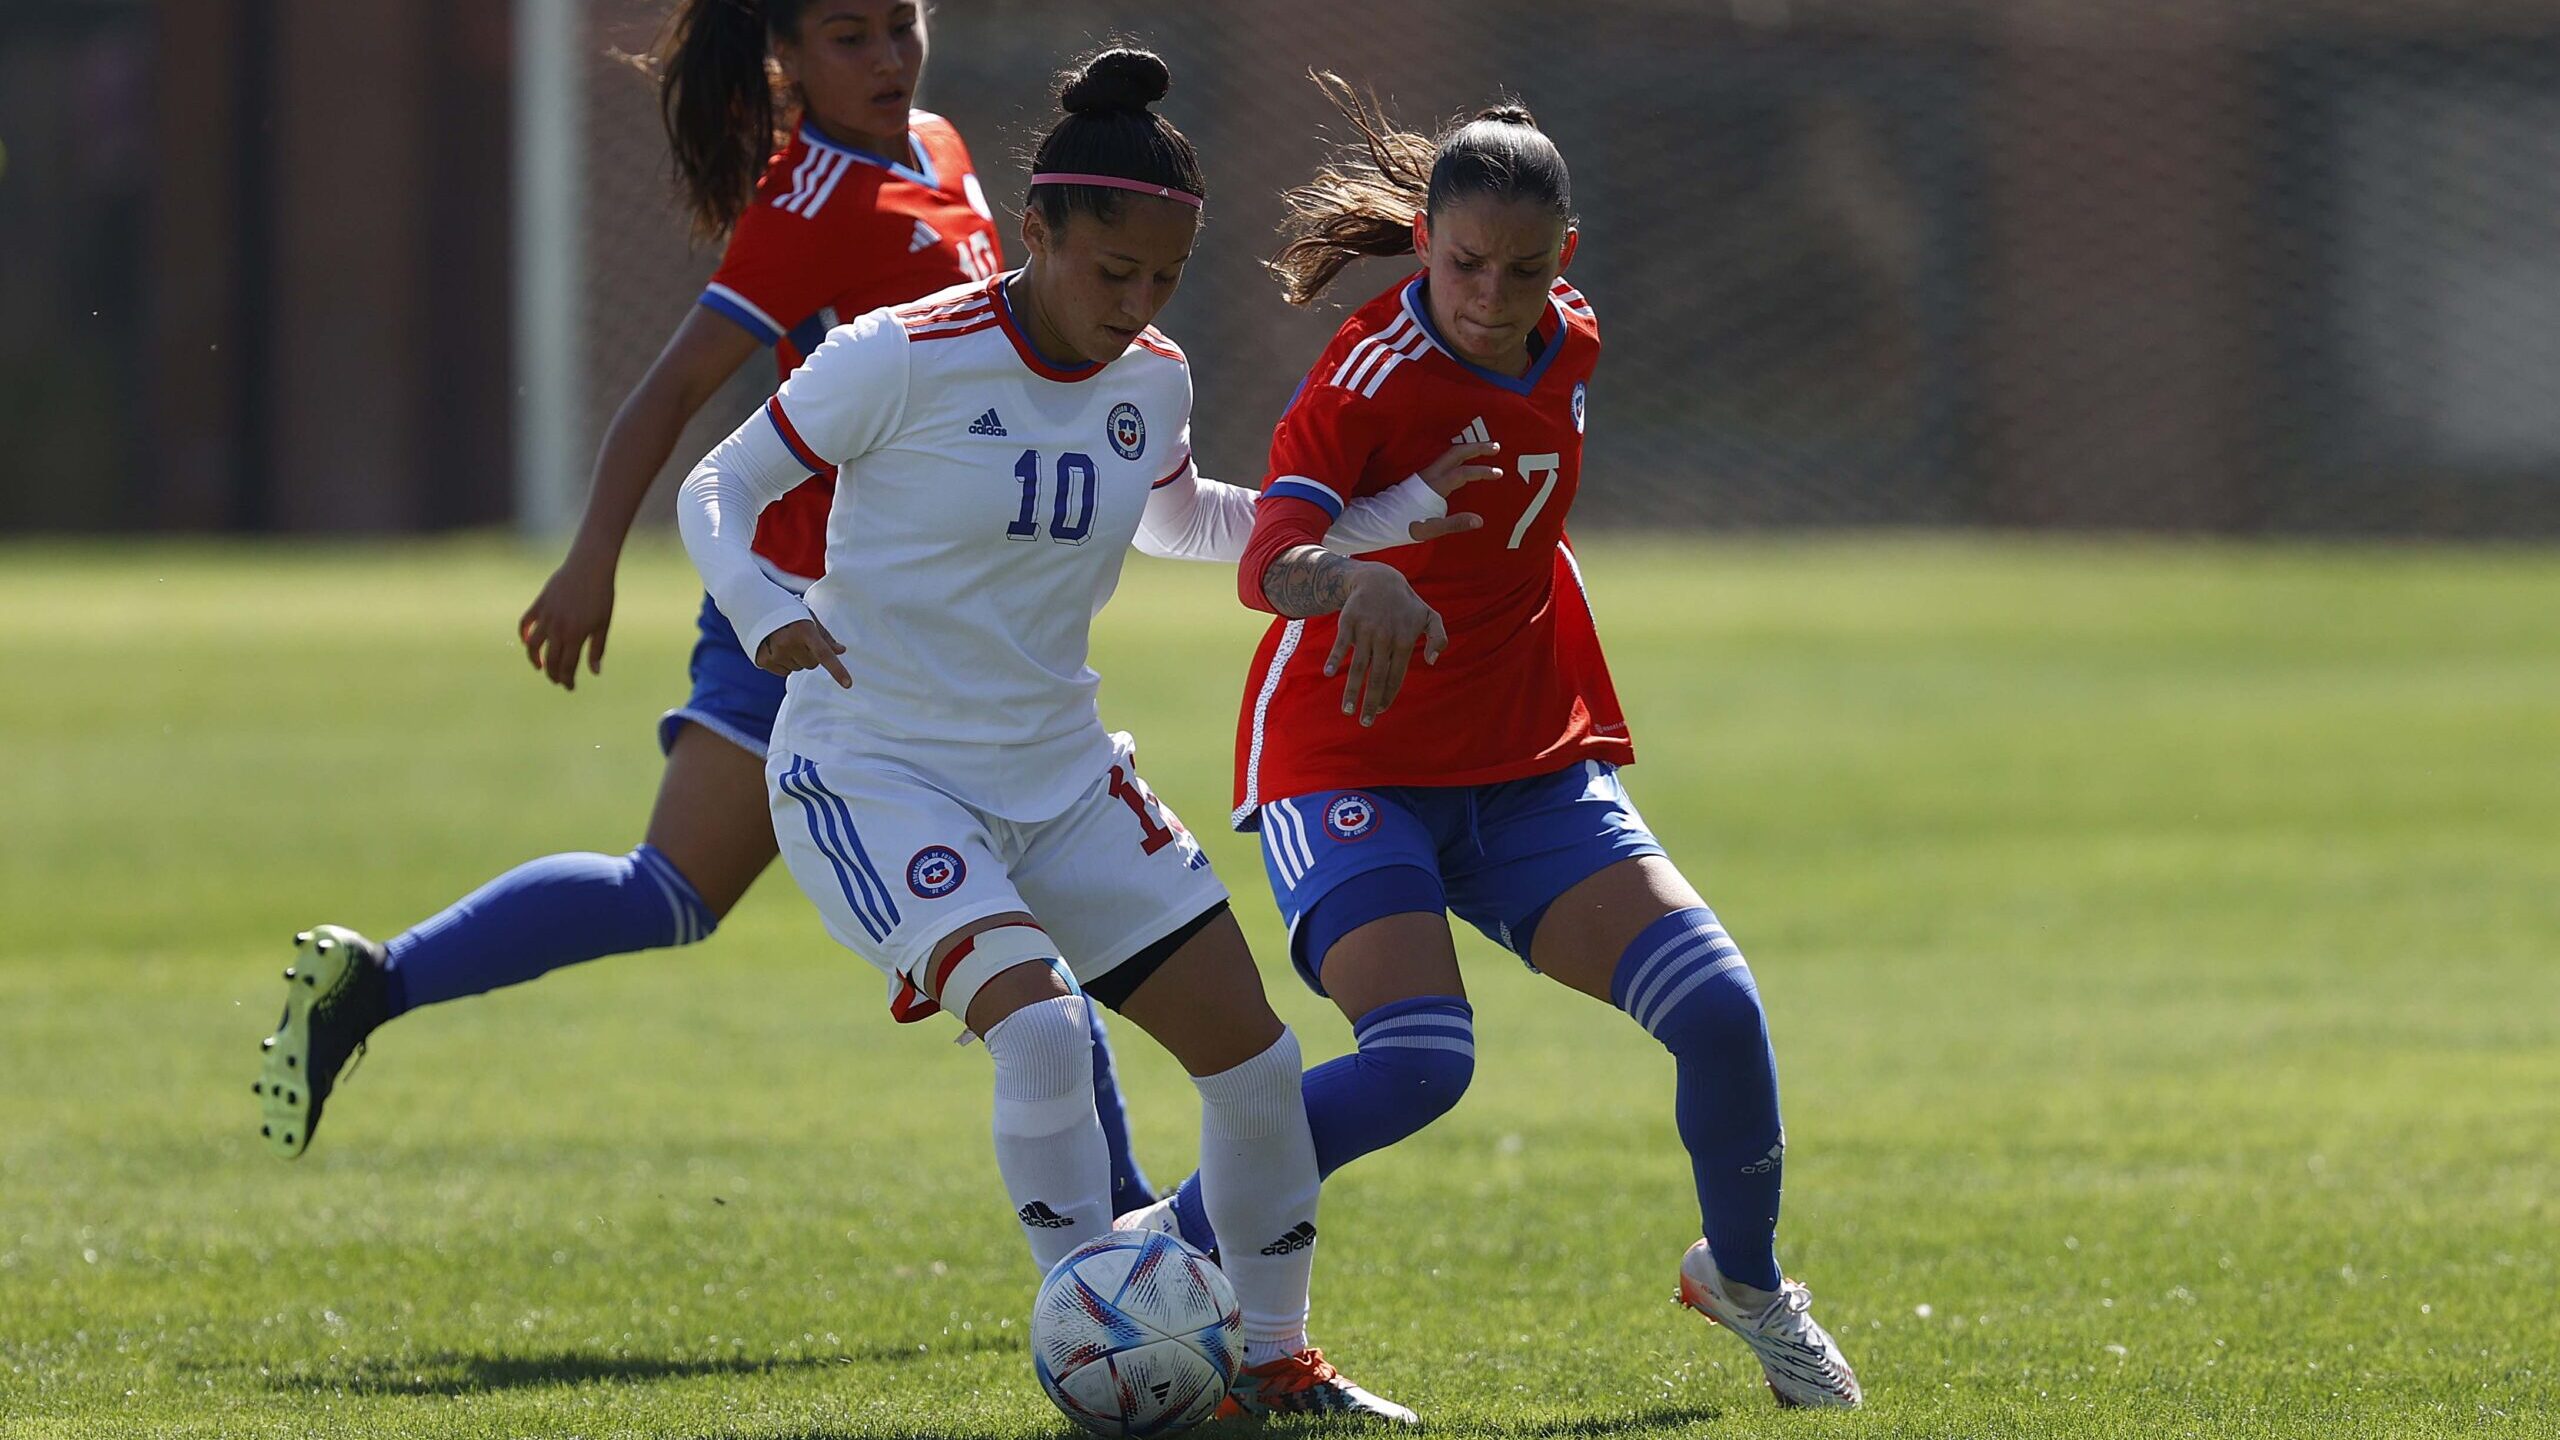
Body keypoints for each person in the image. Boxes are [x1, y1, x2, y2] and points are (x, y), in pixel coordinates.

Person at [251, 0, 1169, 1205]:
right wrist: (592, 560)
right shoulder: (812, 203)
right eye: (850, 36)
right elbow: (670, 390)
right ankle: (1145, 1244)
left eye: (900, 24)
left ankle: (377, 981)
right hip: (810, 624)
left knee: (693, 896)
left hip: (912, 621)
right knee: (805, 905)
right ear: (785, 53)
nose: (889, 57)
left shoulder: (938, 150)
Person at [676, 47, 1468, 1423]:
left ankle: (1278, 1361)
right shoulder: (897, 358)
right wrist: (759, 608)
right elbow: (720, 487)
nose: (1138, 304)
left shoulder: (1148, 378)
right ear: (1034, 231)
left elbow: (1184, 522)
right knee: (1042, 1036)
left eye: (1162, 278)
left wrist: (1384, 515)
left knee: (1261, 1069)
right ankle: (1094, 1352)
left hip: (1062, 776)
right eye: (1113, 273)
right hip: (877, 773)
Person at [1118, 75, 1864, 1410]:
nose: (1492, 293)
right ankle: (1158, 1253)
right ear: (1427, 243)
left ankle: (1743, 1280)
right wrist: (1357, 575)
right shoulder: (1366, 373)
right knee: (1420, 1062)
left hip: (1527, 763)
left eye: (1524, 268)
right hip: (1345, 757)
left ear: (1562, 261)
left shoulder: (1569, 339)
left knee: (1722, 1014)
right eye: (1466, 263)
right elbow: (1269, 562)